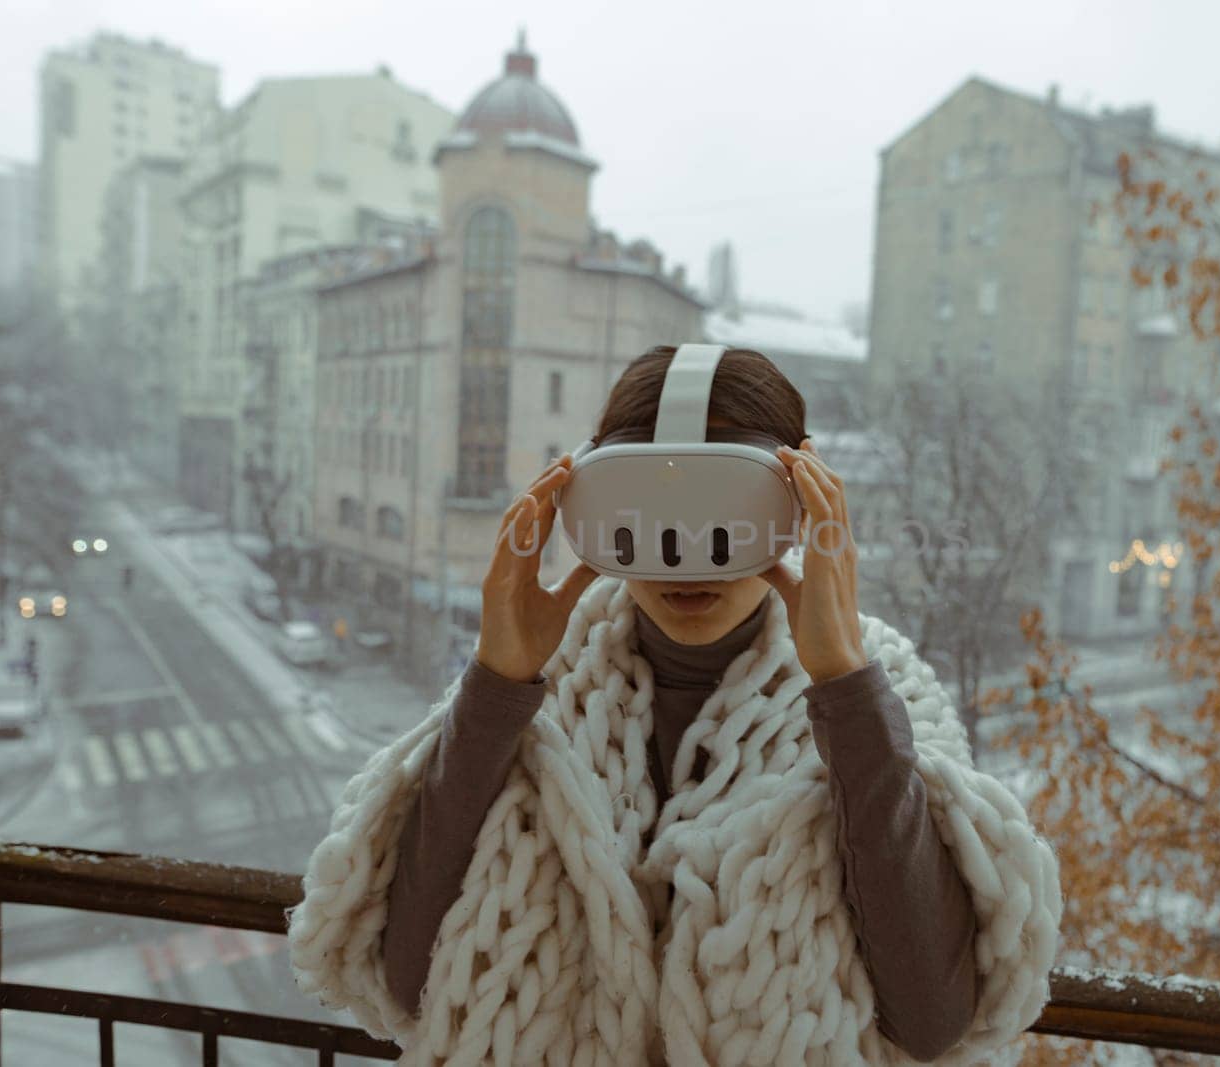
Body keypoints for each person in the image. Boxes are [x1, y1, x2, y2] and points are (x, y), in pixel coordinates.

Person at [287, 347, 1061, 1065]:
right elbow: (402, 974)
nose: (692, 550)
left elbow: (934, 1016)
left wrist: (845, 688)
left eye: (730, 508)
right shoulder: (534, 696)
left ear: (800, 505)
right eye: (650, 514)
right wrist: (496, 684)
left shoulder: (882, 693)